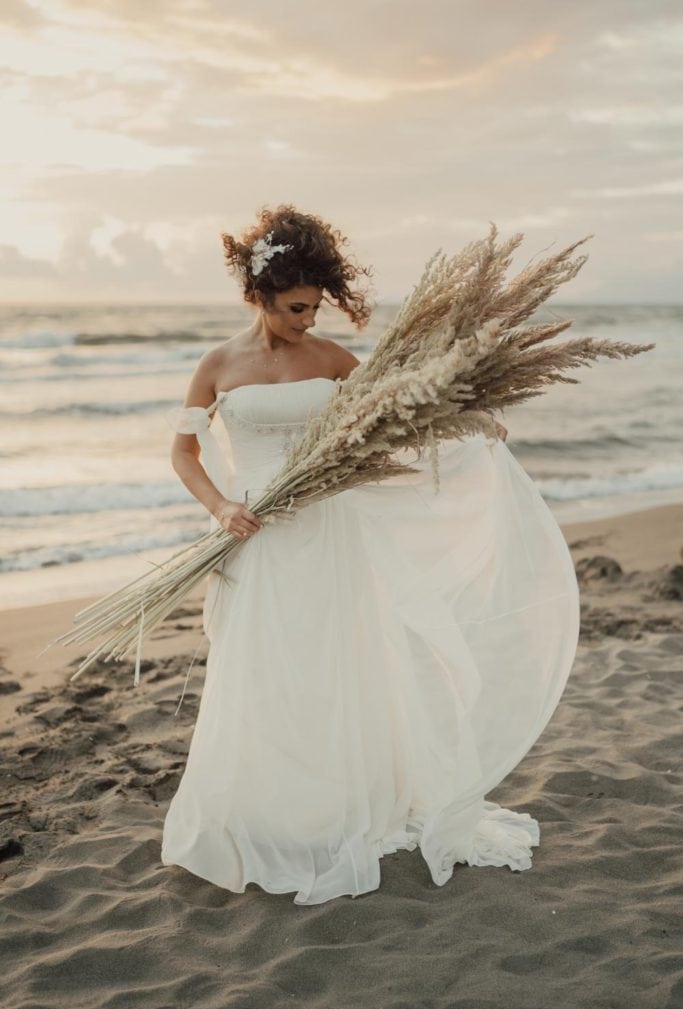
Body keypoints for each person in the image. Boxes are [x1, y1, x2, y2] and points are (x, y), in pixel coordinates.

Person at [161, 203, 579, 905]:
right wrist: (221, 505)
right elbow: (182, 450)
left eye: (315, 307)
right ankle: (270, 813)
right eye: (295, 307)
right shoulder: (216, 365)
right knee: (263, 672)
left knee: (334, 667)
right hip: (254, 538)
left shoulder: (331, 360)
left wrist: (468, 427)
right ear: (257, 297)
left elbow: (391, 428)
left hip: (329, 533)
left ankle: (340, 807)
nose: (308, 321)